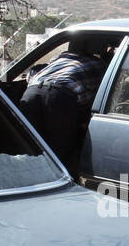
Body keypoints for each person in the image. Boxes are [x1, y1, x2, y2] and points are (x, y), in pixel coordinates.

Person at [18, 32, 112, 172]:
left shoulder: (59, 58)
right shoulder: (99, 66)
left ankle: (26, 179)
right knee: (60, 155)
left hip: (31, 92)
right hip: (60, 98)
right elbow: (109, 88)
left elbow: (33, 73)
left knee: (27, 147)